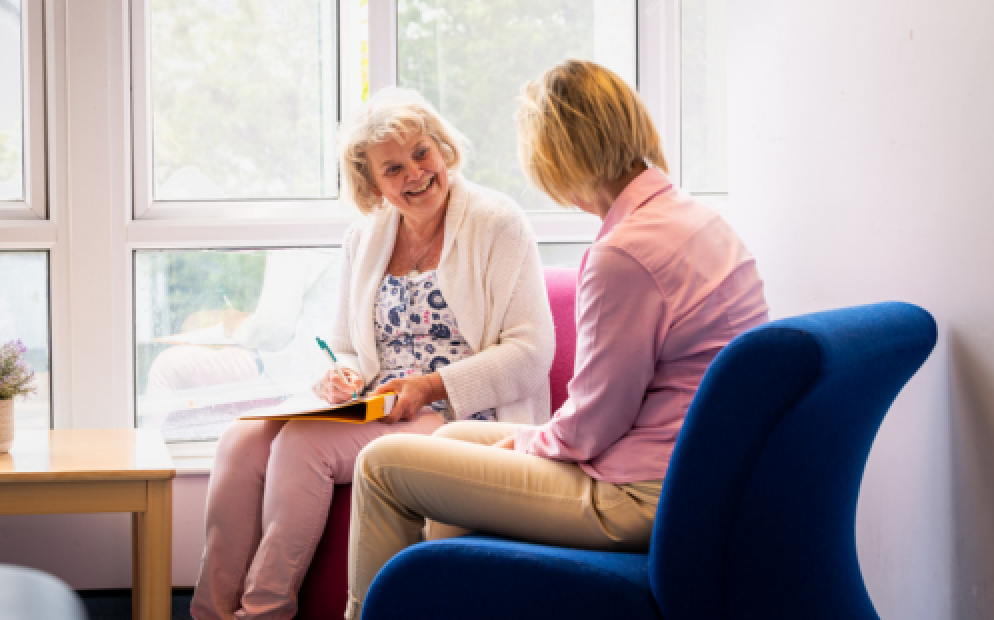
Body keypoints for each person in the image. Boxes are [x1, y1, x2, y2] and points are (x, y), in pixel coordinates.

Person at [344, 59, 771, 618]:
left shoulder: (624, 253)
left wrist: (524, 443)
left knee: (382, 464)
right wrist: (526, 441)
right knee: (441, 452)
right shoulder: (697, 220)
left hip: (637, 495)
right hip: (686, 475)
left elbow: (593, 424)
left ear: (559, 158)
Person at [190, 88, 556, 620]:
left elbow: (530, 352)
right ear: (371, 183)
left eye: (422, 153)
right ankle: (210, 611)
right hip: (379, 407)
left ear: (443, 148)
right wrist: (337, 374)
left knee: (301, 446)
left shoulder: (497, 222)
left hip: (458, 413)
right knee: (239, 440)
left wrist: (429, 387)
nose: (415, 173)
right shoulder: (364, 236)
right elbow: (343, 347)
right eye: (393, 168)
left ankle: (265, 611)